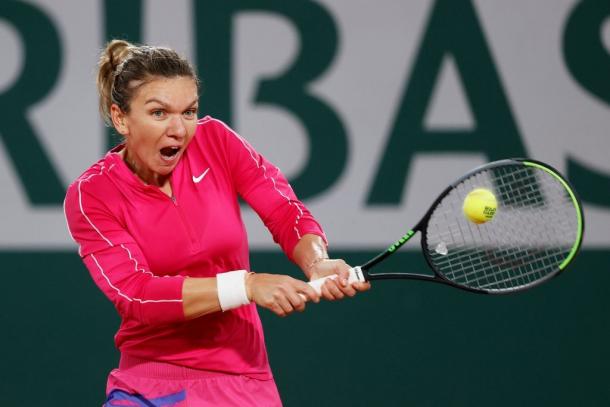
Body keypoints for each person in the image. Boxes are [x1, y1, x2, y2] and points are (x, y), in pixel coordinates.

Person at [64, 39, 369, 406]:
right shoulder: (93, 194)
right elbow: (136, 293)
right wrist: (247, 285)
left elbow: (284, 209)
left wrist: (315, 261)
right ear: (120, 118)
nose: (179, 129)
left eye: (189, 112)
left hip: (242, 383)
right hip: (150, 385)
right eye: (159, 113)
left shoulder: (217, 141)